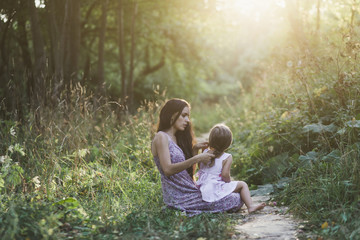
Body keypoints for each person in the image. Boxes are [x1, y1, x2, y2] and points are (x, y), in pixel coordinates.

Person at [151, 98, 244, 216]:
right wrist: (197, 158)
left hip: (189, 190)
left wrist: (195, 151)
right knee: (236, 199)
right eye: (184, 115)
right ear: (172, 114)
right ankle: (183, 208)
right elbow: (168, 170)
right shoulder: (161, 137)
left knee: (235, 195)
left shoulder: (176, 138)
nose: (187, 120)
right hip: (179, 197)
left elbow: (189, 174)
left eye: (188, 116)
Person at [196, 124, 266, 213]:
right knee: (243, 184)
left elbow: (199, 167)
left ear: (211, 140)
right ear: (228, 143)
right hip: (215, 188)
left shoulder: (205, 151)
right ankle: (250, 206)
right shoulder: (227, 157)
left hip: (203, 188)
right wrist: (229, 184)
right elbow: (225, 175)